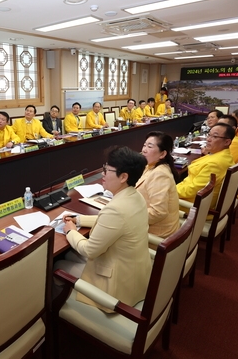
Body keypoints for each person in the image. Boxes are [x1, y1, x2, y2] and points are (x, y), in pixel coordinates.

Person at [58, 146, 151, 311]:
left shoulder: (116, 209)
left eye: (106, 170)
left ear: (123, 177)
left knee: (57, 265)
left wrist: (70, 230)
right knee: (70, 254)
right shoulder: (135, 196)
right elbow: (111, 222)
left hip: (115, 285)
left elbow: (90, 251)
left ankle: (60, 313)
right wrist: (79, 219)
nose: (102, 174)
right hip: (133, 274)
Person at [177, 123, 235, 210]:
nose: (208, 139)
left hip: (192, 206)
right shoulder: (221, 155)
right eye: (209, 135)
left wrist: (168, 190)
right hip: (190, 194)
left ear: (227, 142)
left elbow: (193, 190)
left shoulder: (216, 164)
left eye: (214, 137)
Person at [136, 132, 180, 238]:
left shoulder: (160, 174)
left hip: (156, 235)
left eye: (149, 146)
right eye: (144, 145)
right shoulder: (151, 166)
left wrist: (129, 215)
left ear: (162, 154)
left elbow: (158, 212)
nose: (144, 150)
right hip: (145, 221)